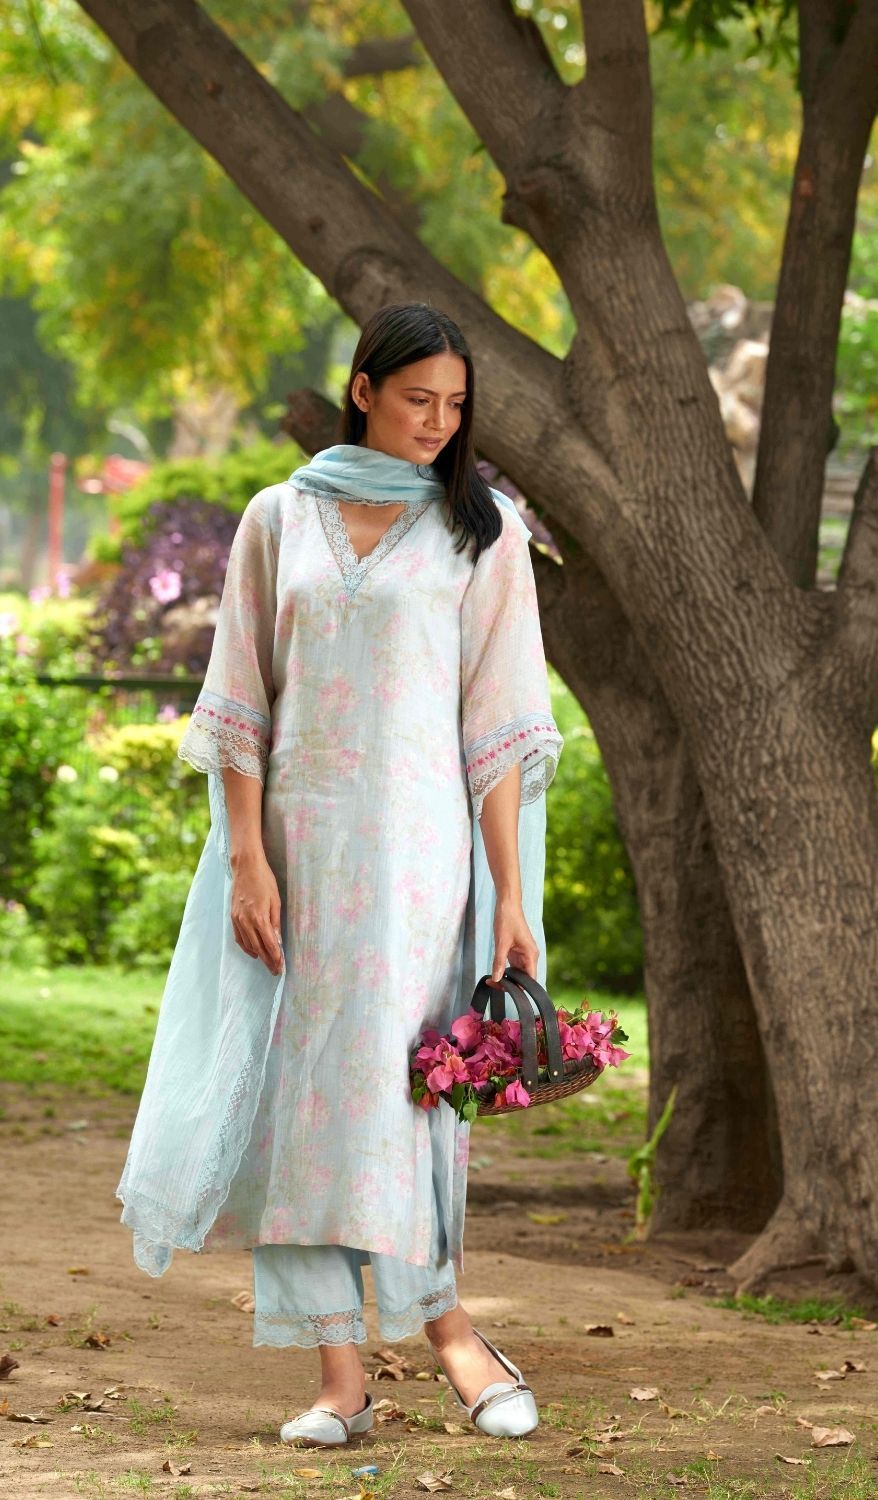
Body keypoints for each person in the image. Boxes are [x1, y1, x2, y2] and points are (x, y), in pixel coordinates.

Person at [114, 301, 564, 1447]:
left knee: (408, 1099)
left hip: (419, 866)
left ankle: (457, 1339)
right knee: (301, 1105)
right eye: (418, 399)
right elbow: (240, 700)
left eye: (454, 405)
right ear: (362, 389)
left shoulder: (482, 532)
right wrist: (247, 859)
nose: (437, 422)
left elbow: (498, 732)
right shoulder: (279, 518)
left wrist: (509, 897)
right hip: (297, 857)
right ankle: (338, 1382)